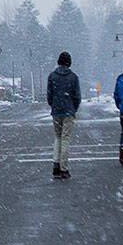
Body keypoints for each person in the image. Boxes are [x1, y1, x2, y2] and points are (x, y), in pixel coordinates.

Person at [46, 51, 81, 179]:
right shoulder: (73, 77)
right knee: (66, 138)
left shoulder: (52, 76)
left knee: (58, 137)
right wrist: (73, 108)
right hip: (68, 110)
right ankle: (64, 168)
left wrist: (53, 105)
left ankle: (55, 164)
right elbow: (77, 96)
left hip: (56, 110)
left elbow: (49, 95)